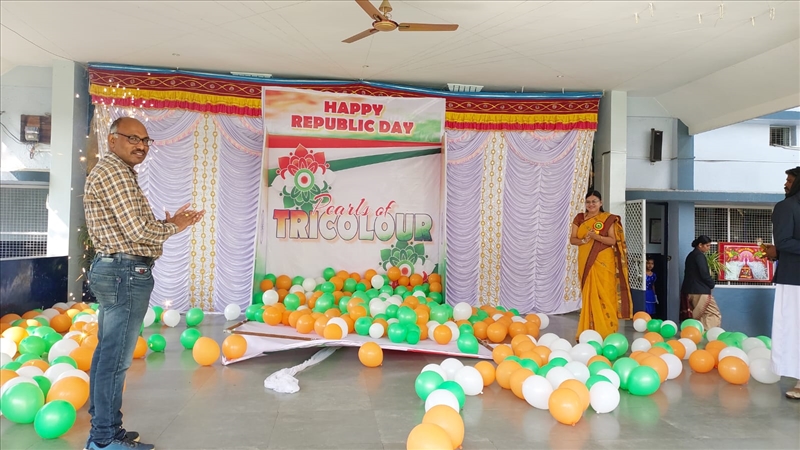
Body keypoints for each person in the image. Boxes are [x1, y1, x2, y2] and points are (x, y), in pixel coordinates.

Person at [83, 117, 204, 450]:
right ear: (112, 140)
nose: (141, 145)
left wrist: (167, 222)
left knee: (107, 355)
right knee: (115, 360)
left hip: (116, 270)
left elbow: (131, 228)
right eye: (133, 138)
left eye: (145, 140)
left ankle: (105, 430)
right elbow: (137, 232)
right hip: (123, 273)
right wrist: (175, 226)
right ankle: (104, 439)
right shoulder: (115, 173)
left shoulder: (117, 171)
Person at [570, 190, 633, 341]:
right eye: (588, 202)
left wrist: (596, 237)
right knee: (589, 294)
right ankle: (588, 331)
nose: (591, 204)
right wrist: (583, 241)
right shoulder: (579, 218)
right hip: (586, 260)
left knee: (605, 294)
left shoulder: (608, 219)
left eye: (594, 201)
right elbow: (573, 239)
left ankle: (607, 331)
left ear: (600, 203)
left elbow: (612, 240)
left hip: (604, 261)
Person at [764, 166, 800, 399]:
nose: (786, 184)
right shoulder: (789, 206)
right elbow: (785, 242)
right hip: (795, 278)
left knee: (794, 330)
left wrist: (777, 251)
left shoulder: (787, 206)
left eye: (789, 180)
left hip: (795, 279)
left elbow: (784, 242)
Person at [680, 235, 722, 330]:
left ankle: (697, 332)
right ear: (700, 245)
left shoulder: (691, 255)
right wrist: (711, 284)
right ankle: (709, 333)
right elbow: (704, 273)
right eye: (707, 245)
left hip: (689, 290)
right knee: (713, 313)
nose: (709, 248)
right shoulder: (699, 256)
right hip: (700, 291)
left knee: (698, 315)